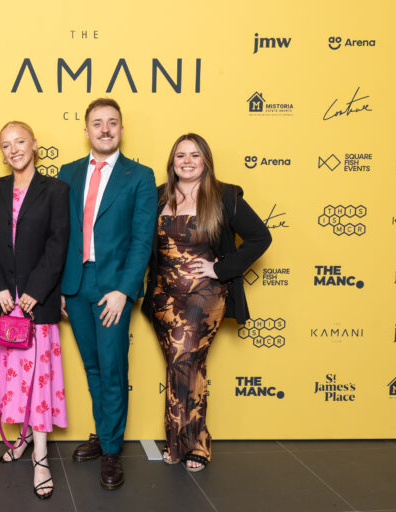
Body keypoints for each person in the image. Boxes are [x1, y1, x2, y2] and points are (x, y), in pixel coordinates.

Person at [142, 133, 272, 472]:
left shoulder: (224, 196)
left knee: (185, 358)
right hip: (163, 297)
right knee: (182, 366)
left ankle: (195, 444)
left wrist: (220, 268)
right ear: (172, 162)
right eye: (180, 155)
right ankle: (178, 442)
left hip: (205, 294)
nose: (187, 161)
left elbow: (260, 237)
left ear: (206, 161)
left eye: (194, 155)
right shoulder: (157, 196)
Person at [58, 98, 157, 490]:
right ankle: (104, 433)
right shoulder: (68, 173)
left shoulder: (140, 176)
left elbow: (142, 240)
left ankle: (112, 450)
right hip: (76, 283)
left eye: (112, 122)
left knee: (112, 367)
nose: (104, 129)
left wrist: (124, 291)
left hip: (113, 285)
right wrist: (60, 288)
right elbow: (60, 235)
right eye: (97, 123)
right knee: (93, 367)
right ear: (86, 130)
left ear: (121, 129)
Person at [0, 121, 70, 499]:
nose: (13, 150)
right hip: (1, 304)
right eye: (6, 145)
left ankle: (40, 457)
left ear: (34, 144)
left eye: (19, 142)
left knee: (39, 380)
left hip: (35, 304)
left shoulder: (56, 190)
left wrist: (35, 291)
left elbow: (58, 244)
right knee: (11, 379)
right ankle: (22, 438)